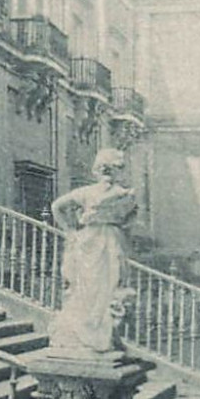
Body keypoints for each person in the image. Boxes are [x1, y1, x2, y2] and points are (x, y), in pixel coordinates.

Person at [46, 149, 137, 354]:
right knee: (87, 288)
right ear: (97, 170)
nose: (107, 173)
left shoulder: (124, 194)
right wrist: (69, 231)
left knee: (110, 286)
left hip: (111, 241)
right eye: (103, 169)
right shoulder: (87, 192)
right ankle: (86, 334)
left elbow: (129, 220)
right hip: (89, 242)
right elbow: (56, 206)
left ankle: (104, 335)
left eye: (111, 169)